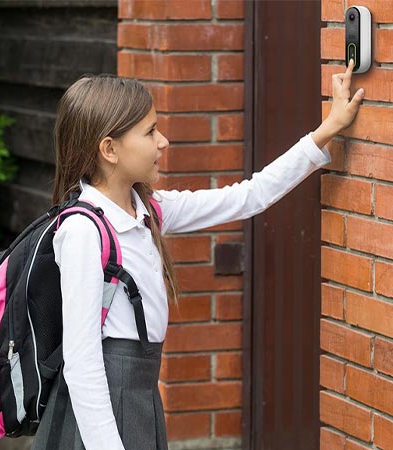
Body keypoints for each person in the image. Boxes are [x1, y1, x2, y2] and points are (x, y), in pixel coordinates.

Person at [31, 59, 364, 450]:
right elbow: (82, 359)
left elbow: (247, 196)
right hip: (105, 409)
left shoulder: (148, 209)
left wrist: (328, 129)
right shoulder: (84, 231)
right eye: (150, 131)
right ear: (110, 149)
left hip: (138, 395)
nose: (163, 141)